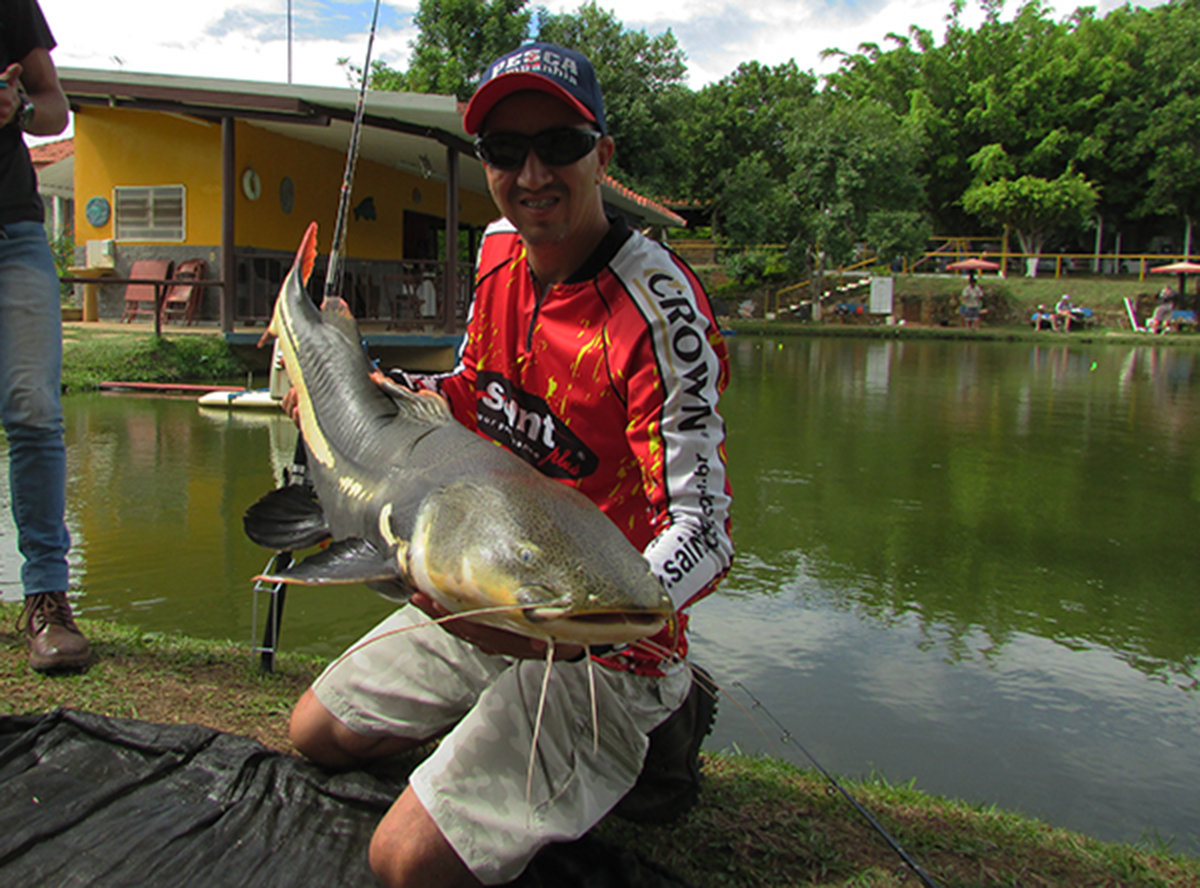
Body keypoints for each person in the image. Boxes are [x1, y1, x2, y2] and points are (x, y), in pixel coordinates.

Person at [286, 43, 733, 888]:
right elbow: (469, 393)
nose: (531, 174)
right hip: (486, 588)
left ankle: (664, 715)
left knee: (405, 862)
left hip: (596, 638)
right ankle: (497, 713)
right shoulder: (497, 251)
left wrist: (609, 615)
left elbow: (704, 527)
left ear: (602, 154)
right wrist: (368, 388)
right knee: (313, 733)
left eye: (558, 144)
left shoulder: (659, 314)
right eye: (503, 151)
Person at [0, 0, 87, 672]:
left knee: (34, 410)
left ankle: (46, 599)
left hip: (14, 233)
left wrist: (19, 110)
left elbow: (55, 108)